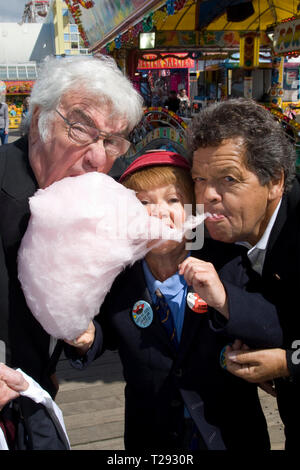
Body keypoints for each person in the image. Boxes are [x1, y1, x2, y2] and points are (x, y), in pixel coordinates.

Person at [87, 150, 274, 451]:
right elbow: (103, 333)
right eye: (142, 202)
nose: (158, 212)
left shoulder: (230, 265)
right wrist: (86, 338)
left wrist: (225, 299)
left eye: (173, 200)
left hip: (228, 434)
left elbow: (272, 327)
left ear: (193, 210)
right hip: (152, 434)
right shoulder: (118, 277)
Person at [0, 54, 143, 448]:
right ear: (39, 119)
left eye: (112, 141)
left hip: (37, 407)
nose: (98, 159)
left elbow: (112, 315)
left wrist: (88, 335)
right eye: (81, 129)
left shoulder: (107, 200)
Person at [184, 97, 299, 450]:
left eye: (228, 179)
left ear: (275, 181)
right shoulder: (210, 227)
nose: (207, 196)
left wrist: (286, 363)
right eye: (199, 179)